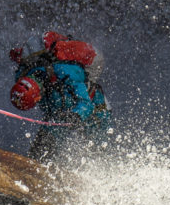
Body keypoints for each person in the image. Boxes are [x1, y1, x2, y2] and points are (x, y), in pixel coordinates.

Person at [9, 31, 111, 162]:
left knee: (98, 154)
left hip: (96, 112)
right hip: (59, 114)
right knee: (40, 150)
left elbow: (86, 104)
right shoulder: (24, 75)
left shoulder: (66, 73)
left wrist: (76, 115)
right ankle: (38, 167)